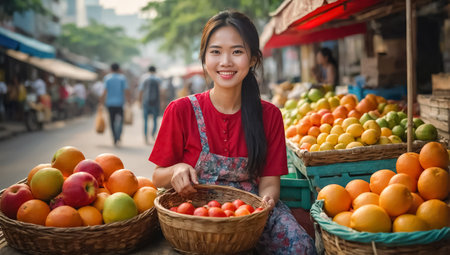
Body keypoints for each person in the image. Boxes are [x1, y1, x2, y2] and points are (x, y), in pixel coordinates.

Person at [149, 10, 316, 255]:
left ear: (252, 59)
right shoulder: (181, 110)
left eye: (237, 51)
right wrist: (176, 169)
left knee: (301, 247)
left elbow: (270, 183)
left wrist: (267, 201)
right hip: (196, 215)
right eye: (216, 51)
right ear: (204, 57)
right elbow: (157, 177)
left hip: (251, 213)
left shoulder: (269, 115)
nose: (226, 61)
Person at [100, 63, 130, 146]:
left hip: (110, 104)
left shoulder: (107, 78)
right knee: (120, 120)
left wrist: (101, 102)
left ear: (111, 69)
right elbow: (126, 90)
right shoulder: (122, 78)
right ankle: (119, 135)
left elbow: (104, 91)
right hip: (120, 103)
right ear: (118, 69)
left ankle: (114, 137)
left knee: (112, 121)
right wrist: (129, 101)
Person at [138, 66, 161, 144]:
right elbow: (162, 91)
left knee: (145, 120)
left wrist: (139, 101)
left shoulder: (144, 78)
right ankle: (153, 134)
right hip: (155, 102)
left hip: (146, 102)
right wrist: (162, 101)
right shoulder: (158, 79)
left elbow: (141, 91)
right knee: (155, 120)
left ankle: (145, 137)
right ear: (155, 70)